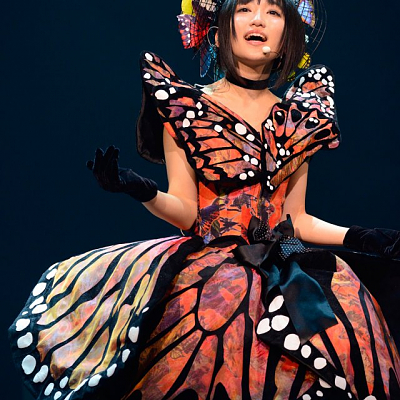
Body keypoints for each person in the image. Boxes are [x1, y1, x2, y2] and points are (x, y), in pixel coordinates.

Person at [9, 0, 400, 399]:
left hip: (287, 262)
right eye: (244, 8)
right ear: (217, 33)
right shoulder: (184, 106)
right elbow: (187, 212)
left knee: (343, 337)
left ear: (288, 40)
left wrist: (361, 237)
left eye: (274, 12)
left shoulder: (300, 117)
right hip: (212, 274)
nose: (258, 19)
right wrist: (142, 190)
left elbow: (295, 219)